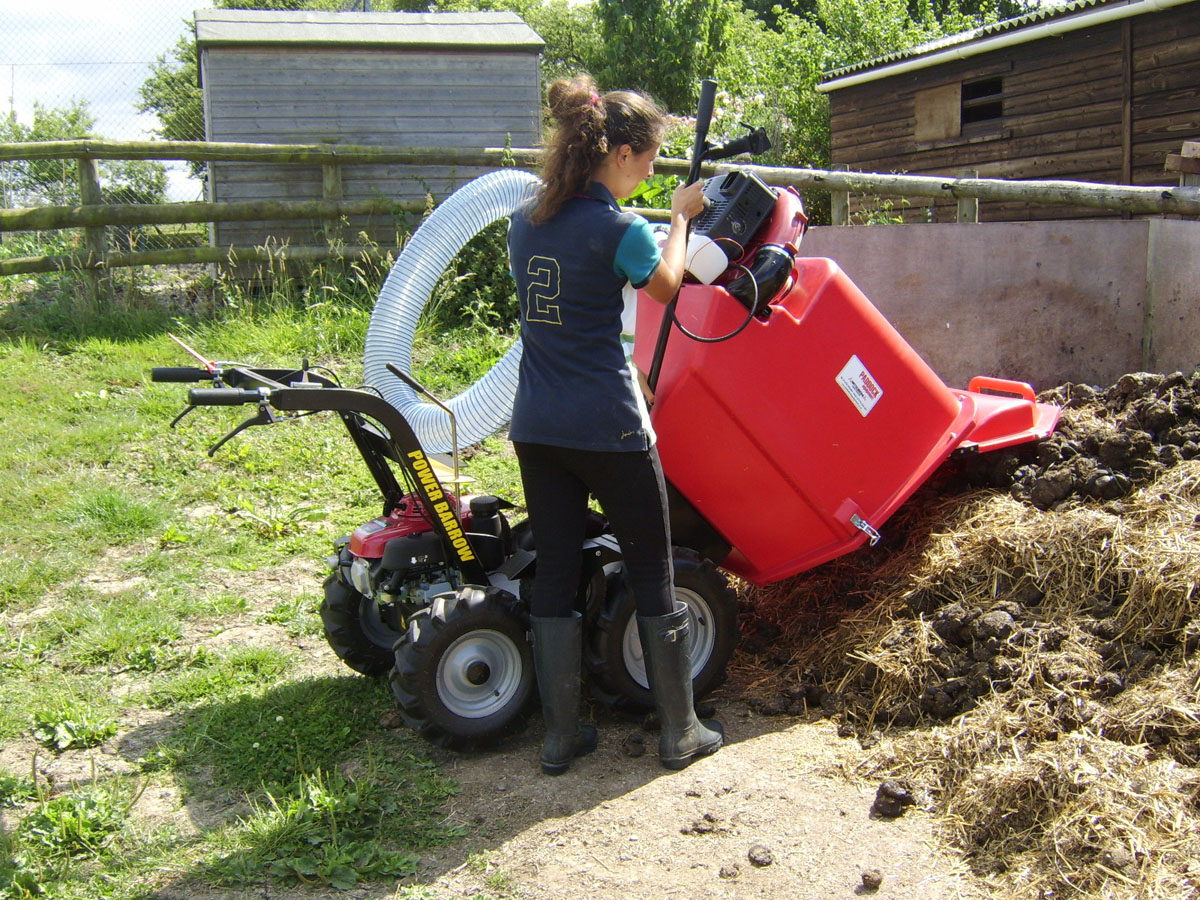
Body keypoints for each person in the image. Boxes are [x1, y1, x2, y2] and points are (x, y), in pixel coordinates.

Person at [507, 73, 723, 775]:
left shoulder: (524, 222)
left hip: (538, 426)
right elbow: (665, 283)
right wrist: (682, 215)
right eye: (653, 159)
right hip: (610, 429)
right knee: (654, 569)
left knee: (556, 573)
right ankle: (680, 731)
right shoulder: (621, 228)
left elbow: (570, 324)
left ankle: (561, 737)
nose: (656, 172)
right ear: (622, 153)